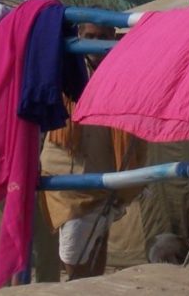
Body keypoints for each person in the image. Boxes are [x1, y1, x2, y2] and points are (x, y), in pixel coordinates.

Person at [40, 20, 147, 281]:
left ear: (112, 37)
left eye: (102, 37)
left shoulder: (122, 69)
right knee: (73, 250)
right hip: (67, 172)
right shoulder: (67, 65)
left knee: (98, 240)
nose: (95, 43)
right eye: (90, 36)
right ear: (79, 35)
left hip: (105, 171)